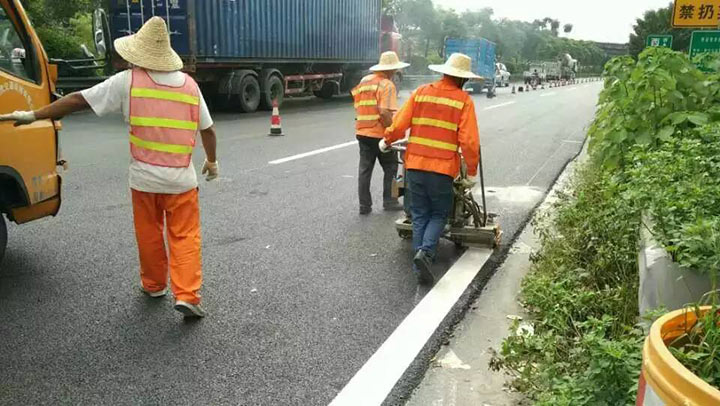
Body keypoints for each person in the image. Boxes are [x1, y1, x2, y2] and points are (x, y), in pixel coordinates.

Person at [0, 17, 217, 318]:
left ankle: (154, 285)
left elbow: (78, 100)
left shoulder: (129, 81)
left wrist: (33, 114)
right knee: (185, 236)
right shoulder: (190, 86)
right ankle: (188, 294)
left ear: (139, 53)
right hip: (181, 181)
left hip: (144, 181)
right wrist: (212, 160)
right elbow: (208, 129)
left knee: (149, 234)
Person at [380, 53, 480, 285]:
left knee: (420, 214)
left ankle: (419, 265)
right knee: (438, 214)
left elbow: (400, 123)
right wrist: (471, 169)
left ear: (444, 72)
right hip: (442, 169)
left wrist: (387, 139)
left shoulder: (422, 92)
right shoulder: (463, 101)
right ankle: (425, 253)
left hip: (414, 165)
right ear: (463, 79)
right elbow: (469, 142)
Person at [351, 51, 409, 215]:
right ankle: (391, 200)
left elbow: (357, 103)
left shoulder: (364, 81)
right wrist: (393, 132)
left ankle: (364, 205)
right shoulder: (387, 84)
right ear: (392, 69)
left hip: (362, 131)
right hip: (380, 134)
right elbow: (384, 112)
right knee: (393, 167)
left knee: (364, 169)